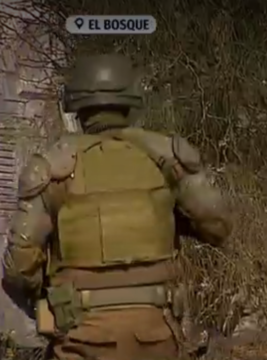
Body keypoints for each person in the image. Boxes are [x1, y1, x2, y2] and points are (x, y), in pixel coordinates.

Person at [1, 54, 232, 360]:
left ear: (76, 107)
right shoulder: (167, 157)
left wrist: (45, 305)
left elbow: (18, 270)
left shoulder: (52, 168)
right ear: (131, 101)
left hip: (80, 336)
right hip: (159, 333)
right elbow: (219, 226)